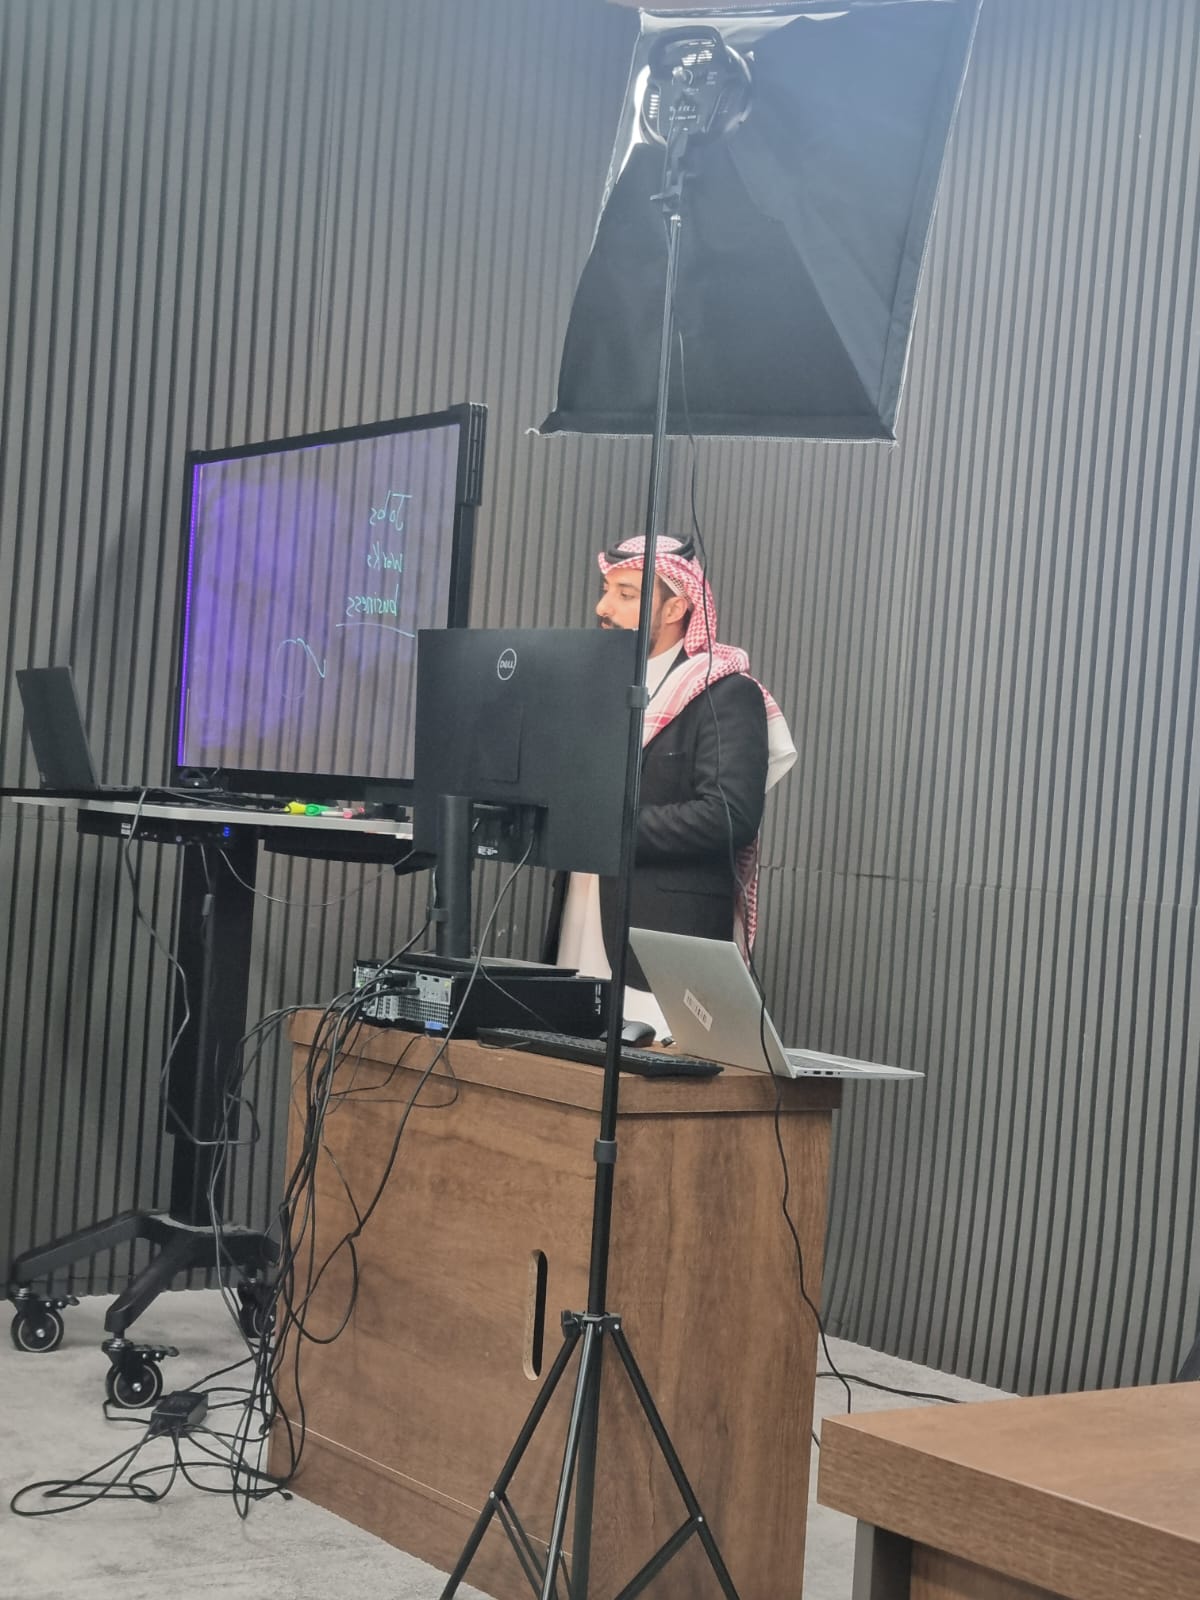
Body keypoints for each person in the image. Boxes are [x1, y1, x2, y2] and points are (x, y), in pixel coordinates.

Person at [545, 534, 797, 1037]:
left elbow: (727, 816)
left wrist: (609, 828)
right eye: (606, 590)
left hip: (661, 943)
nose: (602, 607)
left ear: (676, 608)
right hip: (580, 920)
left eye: (625, 594)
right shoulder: (596, 689)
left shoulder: (724, 693)